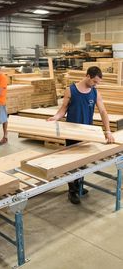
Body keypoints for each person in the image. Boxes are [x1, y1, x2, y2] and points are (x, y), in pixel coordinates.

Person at [47, 66, 115, 205]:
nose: (96, 85)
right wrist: (55, 117)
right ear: (88, 76)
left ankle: (79, 186)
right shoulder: (71, 90)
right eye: (94, 82)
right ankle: (71, 191)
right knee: (72, 164)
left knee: (83, 162)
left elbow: (103, 112)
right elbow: (63, 109)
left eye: (97, 83)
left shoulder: (95, 93)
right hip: (71, 132)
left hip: (86, 133)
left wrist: (108, 131)